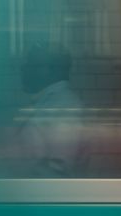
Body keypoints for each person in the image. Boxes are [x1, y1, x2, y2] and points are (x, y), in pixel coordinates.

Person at [16, 42, 85, 177]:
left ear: (49, 69)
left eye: (30, 64)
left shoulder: (63, 106)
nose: (23, 68)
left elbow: (58, 171)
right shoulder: (51, 103)